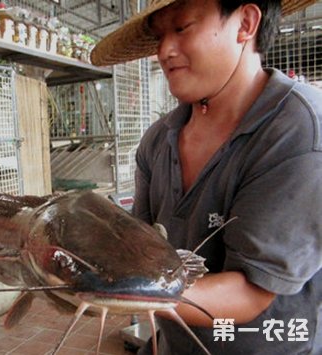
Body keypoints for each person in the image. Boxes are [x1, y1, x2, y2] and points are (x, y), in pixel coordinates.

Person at [91, 0, 321, 354]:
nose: (165, 51)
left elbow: (250, 291)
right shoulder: (158, 139)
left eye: (182, 28)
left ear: (245, 23)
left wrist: (114, 290)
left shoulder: (297, 131)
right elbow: (139, 247)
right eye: (159, 36)